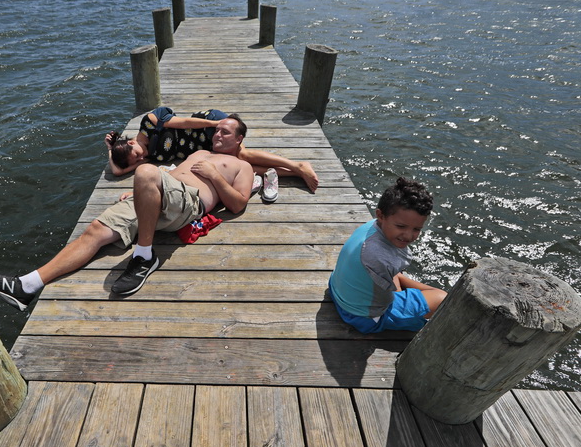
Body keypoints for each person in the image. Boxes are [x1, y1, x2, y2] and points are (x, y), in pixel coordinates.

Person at [0, 114, 254, 310]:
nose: (217, 134)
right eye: (217, 130)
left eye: (225, 131)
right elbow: (150, 172)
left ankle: (144, 256)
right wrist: (143, 193)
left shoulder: (241, 166)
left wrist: (214, 176)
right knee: (95, 230)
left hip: (188, 204)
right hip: (160, 196)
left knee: (147, 170)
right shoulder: (198, 153)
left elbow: (238, 204)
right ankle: (26, 286)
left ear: (239, 138)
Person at [106, 107, 319, 195]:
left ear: (132, 142)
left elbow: (185, 122)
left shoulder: (151, 121)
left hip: (205, 127)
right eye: (137, 159)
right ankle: (295, 173)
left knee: (242, 155)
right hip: (204, 148)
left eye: (137, 154)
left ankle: (297, 165)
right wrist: (110, 149)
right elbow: (117, 171)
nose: (141, 158)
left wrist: (215, 124)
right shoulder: (145, 154)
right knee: (243, 167)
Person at [328, 177, 447, 334]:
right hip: (362, 316)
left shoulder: (372, 225)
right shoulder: (380, 257)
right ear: (381, 215)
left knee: (397, 277)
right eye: (401, 226)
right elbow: (388, 299)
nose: (408, 235)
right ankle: (439, 293)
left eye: (416, 229)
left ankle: (407, 282)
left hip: (336, 289)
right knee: (442, 299)